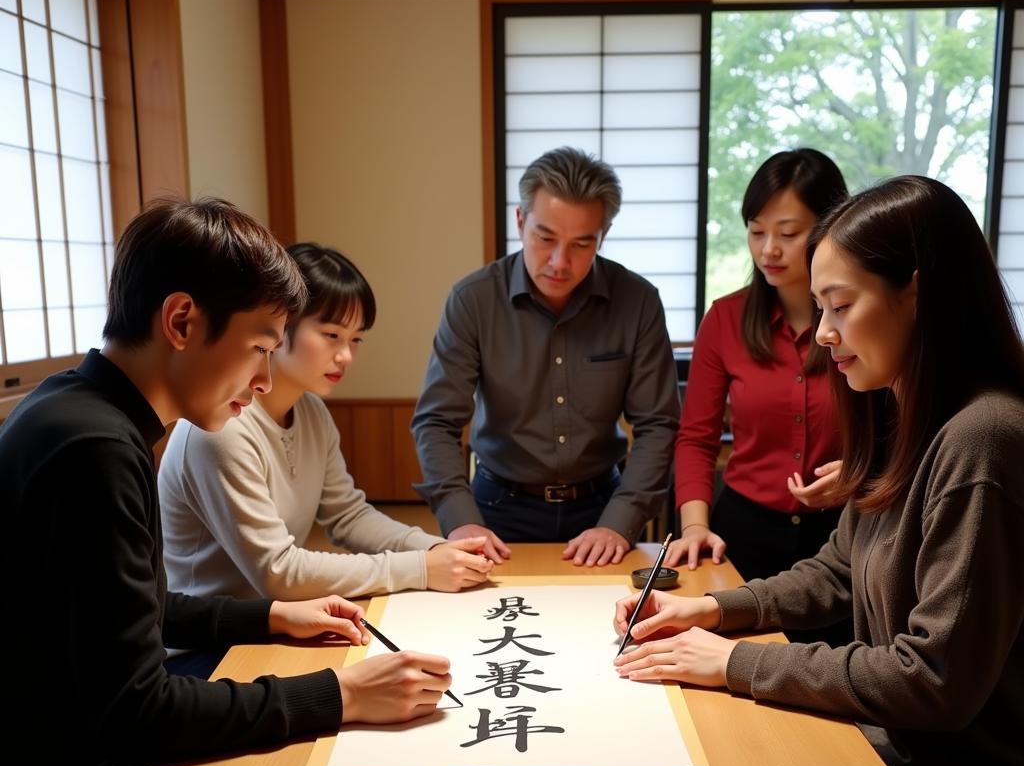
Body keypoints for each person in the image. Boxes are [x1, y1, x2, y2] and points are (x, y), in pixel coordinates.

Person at [0, 199, 452, 766]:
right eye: (258, 348)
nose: (264, 376)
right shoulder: (95, 449)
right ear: (181, 323)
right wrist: (340, 695)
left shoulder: (75, 413)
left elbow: (131, 607)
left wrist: (264, 620)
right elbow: (137, 714)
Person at [612, 176, 1024, 766]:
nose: (824, 333)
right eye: (820, 307)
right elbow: (837, 570)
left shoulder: (983, 439)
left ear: (917, 296)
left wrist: (732, 662)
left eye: (840, 306)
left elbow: (932, 678)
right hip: (911, 763)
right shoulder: (909, 413)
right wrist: (710, 608)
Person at [159, 242, 492, 605]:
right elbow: (279, 572)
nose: (346, 355)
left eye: (356, 339)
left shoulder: (312, 412)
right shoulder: (222, 426)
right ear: (280, 325)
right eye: (332, 335)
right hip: (213, 645)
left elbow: (347, 515)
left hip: (278, 622)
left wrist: (439, 549)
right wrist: (421, 568)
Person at [412, 146, 680, 568]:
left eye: (581, 243)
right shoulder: (474, 299)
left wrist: (620, 521)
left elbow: (658, 424)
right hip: (497, 507)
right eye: (545, 238)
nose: (560, 262)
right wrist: (460, 520)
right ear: (521, 221)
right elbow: (436, 420)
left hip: (603, 510)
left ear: (603, 235)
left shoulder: (637, 301)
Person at [667, 148, 848, 578]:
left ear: (829, 229)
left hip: (845, 531)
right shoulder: (725, 319)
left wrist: (862, 475)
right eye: (756, 232)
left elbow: (900, 432)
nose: (768, 250)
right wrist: (695, 527)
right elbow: (696, 438)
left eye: (788, 234)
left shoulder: (859, 320)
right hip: (742, 531)